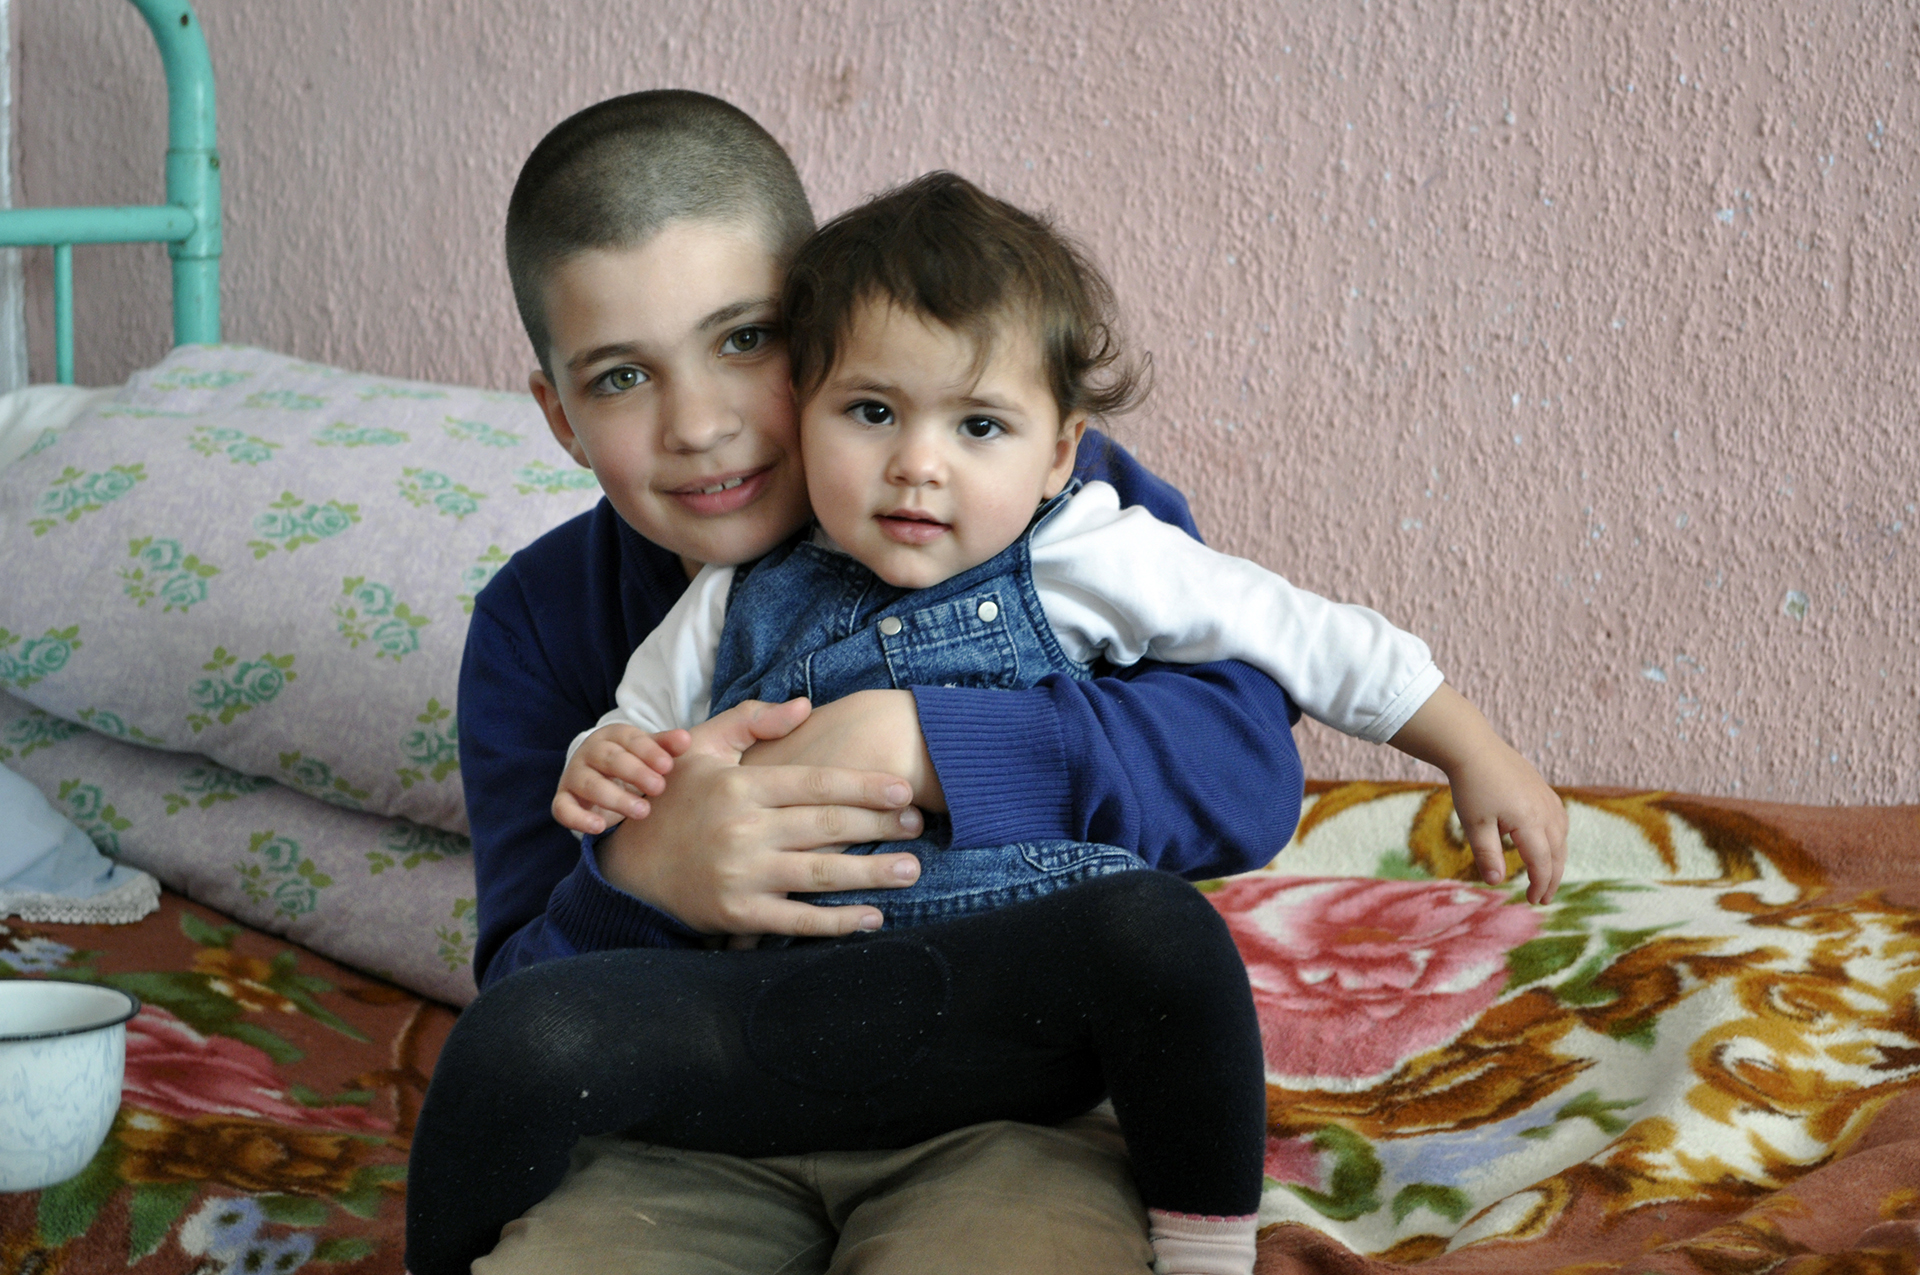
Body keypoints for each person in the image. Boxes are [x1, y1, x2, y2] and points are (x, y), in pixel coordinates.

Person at [410, 90, 1319, 1275]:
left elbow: (1249, 777)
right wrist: (644, 875)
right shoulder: (541, 623)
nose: (701, 424)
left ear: (830, 309)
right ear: (560, 417)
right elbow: (531, 1013)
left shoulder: (1047, 507)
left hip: (1006, 1111)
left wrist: (932, 744)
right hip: (678, 1142)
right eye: (622, 378)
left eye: (747, 340)